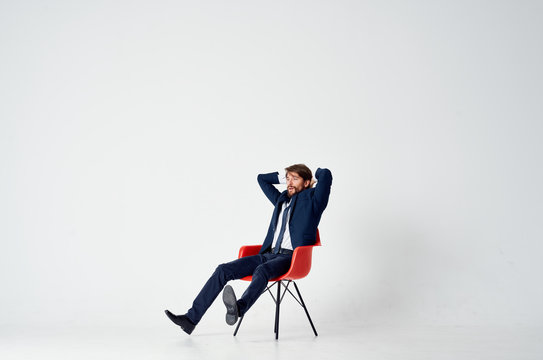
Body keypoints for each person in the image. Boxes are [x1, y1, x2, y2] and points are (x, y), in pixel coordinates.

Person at [165, 164, 332, 335]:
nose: (289, 182)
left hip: (291, 259)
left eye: (295, 179)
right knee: (223, 270)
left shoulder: (313, 201)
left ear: (306, 183)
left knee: (262, 270)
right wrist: (288, 179)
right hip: (268, 254)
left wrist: (312, 177)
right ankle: (190, 319)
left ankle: (239, 308)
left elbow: (326, 175)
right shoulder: (281, 200)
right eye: (287, 179)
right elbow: (262, 179)